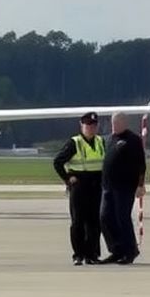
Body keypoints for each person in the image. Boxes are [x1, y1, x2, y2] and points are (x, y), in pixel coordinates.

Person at [53, 111, 105, 266]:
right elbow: (57, 162)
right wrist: (68, 179)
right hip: (80, 186)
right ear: (82, 126)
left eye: (93, 125)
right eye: (88, 125)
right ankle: (78, 254)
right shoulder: (74, 143)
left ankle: (92, 254)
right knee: (78, 222)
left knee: (94, 222)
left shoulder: (101, 141)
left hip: (96, 186)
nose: (91, 128)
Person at [100, 112, 147, 265]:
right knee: (105, 217)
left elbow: (141, 165)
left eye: (117, 123)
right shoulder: (109, 139)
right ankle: (116, 249)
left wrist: (140, 185)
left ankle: (130, 250)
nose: (114, 126)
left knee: (122, 218)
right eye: (113, 123)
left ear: (124, 123)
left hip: (125, 187)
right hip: (108, 186)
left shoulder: (133, 140)